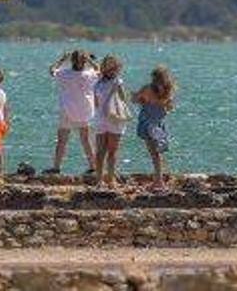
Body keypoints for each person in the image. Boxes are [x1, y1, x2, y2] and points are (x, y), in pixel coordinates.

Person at [45, 49, 99, 175]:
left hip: (67, 110)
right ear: (84, 61)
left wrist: (62, 59)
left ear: (72, 61)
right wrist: (90, 60)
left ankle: (56, 167)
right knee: (85, 140)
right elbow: (99, 69)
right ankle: (92, 166)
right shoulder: (89, 74)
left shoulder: (64, 74)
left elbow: (51, 70)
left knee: (62, 141)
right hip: (84, 111)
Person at [132, 65, 176, 191]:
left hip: (148, 124)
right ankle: (159, 179)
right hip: (159, 124)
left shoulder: (148, 88)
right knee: (157, 153)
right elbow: (169, 108)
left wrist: (138, 98)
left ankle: (158, 181)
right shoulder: (168, 91)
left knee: (154, 154)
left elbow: (135, 99)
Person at [93, 55, 129, 187]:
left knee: (112, 151)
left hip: (114, 119)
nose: (110, 69)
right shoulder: (97, 82)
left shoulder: (117, 82)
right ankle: (99, 180)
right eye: (108, 66)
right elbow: (95, 102)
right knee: (100, 151)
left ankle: (110, 179)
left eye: (113, 66)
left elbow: (123, 100)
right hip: (101, 119)